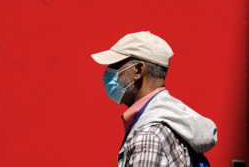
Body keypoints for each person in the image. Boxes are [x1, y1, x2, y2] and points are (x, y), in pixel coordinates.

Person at [90, 31, 217, 167]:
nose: (108, 72)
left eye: (115, 65)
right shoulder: (172, 117)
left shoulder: (148, 136)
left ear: (138, 71)